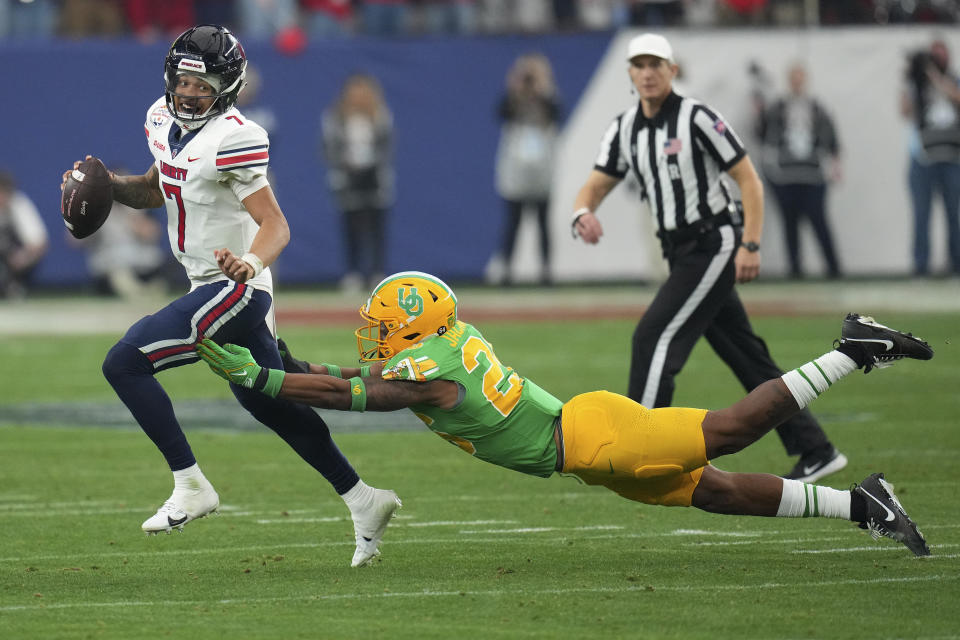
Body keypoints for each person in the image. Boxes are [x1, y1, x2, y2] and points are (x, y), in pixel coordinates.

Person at [196, 271, 935, 559]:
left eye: (386, 323)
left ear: (415, 327)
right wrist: (290, 366)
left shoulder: (429, 375)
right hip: (583, 445)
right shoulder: (445, 341)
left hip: (593, 440)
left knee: (732, 431)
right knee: (716, 490)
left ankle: (852, 349)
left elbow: (357, 395)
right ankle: (861, 505)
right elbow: (356, 375)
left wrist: (266, 378)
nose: (379, 336)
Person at [59, 25, 399, 568]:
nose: (190, 91)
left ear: (229, 85)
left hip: (236, 288)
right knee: (269, 400)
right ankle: (364, 499)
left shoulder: (236, 137)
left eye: (204, 82)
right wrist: (101, 185)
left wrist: (252, 262)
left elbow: (276, 224)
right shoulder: (160, 118)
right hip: (205, 283)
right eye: (184, 79)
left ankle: (190, 484)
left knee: (124, 363)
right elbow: (154, 188)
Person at [570, 33, 846, 483]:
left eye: (656, 64)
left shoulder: (697, 117)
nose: (648, 72)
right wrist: (583, 212)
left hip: (712, 241)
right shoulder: (624, 128)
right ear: (629, 73)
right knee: (746, 356)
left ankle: (641, 448)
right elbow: (598, 181)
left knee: (653, 336)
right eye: (639, 65)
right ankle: (816, 449)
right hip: (679, 250)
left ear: (672, 70)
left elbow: (748, 179)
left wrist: (750, 244)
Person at [759, 62, 842, 279]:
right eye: (793, 78)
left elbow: (831, 138)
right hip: (786, 177)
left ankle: (834, 268)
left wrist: (835, 165)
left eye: (800, 77)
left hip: (812, 176)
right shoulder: (778, 108)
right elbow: (764, 135)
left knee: (819, 223)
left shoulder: (816, 107)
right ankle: (795, 270)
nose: (797, 82)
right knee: (790, 225)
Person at [490, 52, 560, 285]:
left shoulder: (548, 97)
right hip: (516, 168)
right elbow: (500, 113)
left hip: (541, 167)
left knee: (543, 222)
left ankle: (546, 270)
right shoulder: (513, 98)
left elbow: (557, 112)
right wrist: (514, 88)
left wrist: (544, 87)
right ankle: (506, 269)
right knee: (513, 223)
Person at [320, 73, 395, 291]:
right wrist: (344, 165)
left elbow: (387, 147)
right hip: (347, 176)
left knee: (376, 225)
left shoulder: (380, 116)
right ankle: (353, 273)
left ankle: (377, 272)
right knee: (351, 225)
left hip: (375, 177)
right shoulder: (335, 117)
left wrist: (372, 166)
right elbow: (328, 148)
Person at [900, 38, 960, 276]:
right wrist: (909, 80)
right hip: (923, 158)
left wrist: (936, 77)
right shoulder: (917, 85)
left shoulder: (953, 81)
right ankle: (920, 266)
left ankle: (956, 264)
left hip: (952, 159)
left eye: (939, 56)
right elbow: (905, 112)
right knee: (921, 215)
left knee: (953, 214)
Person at [0, 171, 48, 299]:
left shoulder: (19, 205)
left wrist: (22, 258)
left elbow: (39, 243)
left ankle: (14, 286)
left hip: (13, 262)